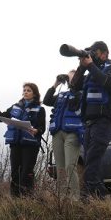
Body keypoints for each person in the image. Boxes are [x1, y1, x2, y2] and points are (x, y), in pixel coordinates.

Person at [69, 41, 111, 199]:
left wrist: (91, 66)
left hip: (104, 122)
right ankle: (100, 198)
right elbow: (74, 86)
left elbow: (109, 82)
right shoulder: (89, 73)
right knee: (92, 161)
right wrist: (81, 67)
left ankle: (87, 198)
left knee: (92, 159)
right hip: (88, 124)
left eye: (95, 52)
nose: (93, 55)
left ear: (104, 54)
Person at [0, 83, 46, 197]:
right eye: (24, 90)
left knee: (26, 173)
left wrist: (37, 130)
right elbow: (0, 117)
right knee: (15, 173)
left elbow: (42, 127)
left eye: (29, 90)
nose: (25, 92)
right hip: (16, 144)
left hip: (30, 145)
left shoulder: (40, 109)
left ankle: (27, 199)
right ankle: (15, 201)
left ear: (35, 94)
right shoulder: (15, 107)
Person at [43, 70, 83, 199]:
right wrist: (56, 83)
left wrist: (76, 86)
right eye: (69, 78)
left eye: (73, 77)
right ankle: (61, 199)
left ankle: (75, 199)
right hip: (57, 133)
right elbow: (47, 100)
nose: (70, 80)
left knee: (70, 166)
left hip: (73, 132)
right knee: (60, 168)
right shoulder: (62, 95)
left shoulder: (83, 93)